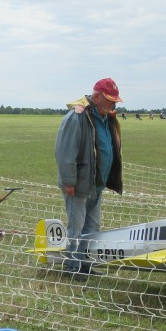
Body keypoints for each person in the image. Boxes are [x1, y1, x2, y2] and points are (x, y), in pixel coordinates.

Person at [54, 77, 124, 280]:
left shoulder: (106, 118)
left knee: (92, 227)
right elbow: (65, 151)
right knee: (76, 227)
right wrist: (69, 181)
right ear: (97, 96)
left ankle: (86, 264)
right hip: (79, 184)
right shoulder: (76, 117)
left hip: (97, 184)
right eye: (110, 99)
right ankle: (73, 267)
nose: (113, 103)